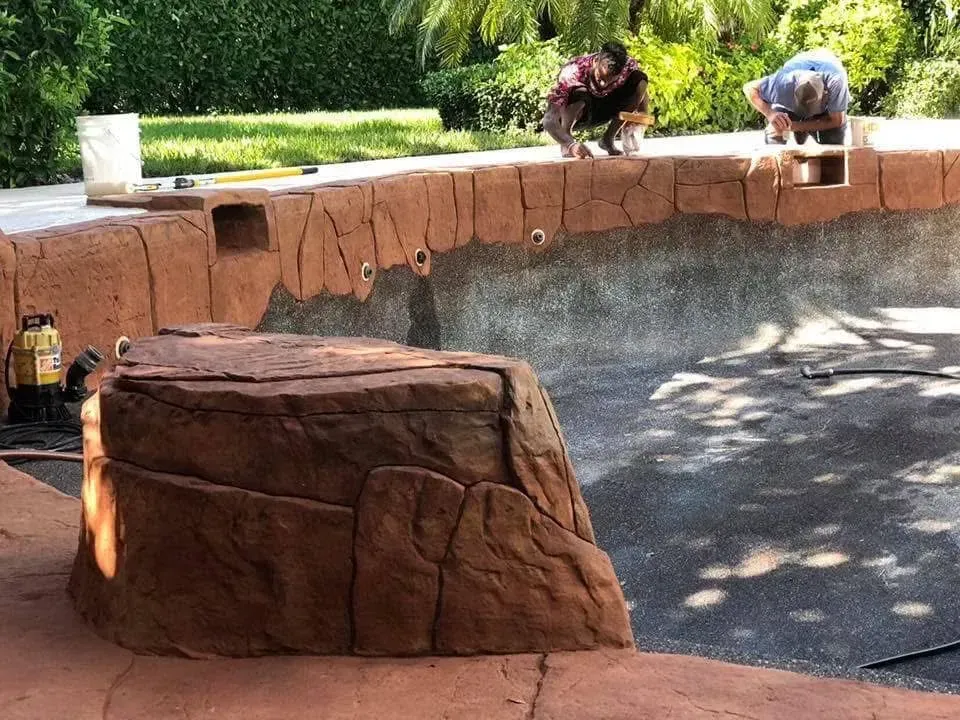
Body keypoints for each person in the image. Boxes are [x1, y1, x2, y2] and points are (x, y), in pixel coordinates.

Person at [543, 42, 650, 158]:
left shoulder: (628, 66)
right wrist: (570, 144)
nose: (603, 85)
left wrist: (642, 114)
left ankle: (608, 139)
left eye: (610, 81)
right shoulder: (573, 71)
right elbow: (549, 119)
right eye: (600, 78)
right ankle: (566, 143)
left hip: (606, 108)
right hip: (581, 114)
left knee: (639, 78)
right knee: (579, 93)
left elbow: (641, 89)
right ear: (597, 60)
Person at [743, 48, 851, 146]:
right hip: (791, 98)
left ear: (825, 94)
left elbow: (836, 121)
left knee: (833, 139)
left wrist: (796, 126)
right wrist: (770, 114)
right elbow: (749, 88)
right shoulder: (783, 84)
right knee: (775, 132)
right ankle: (780, 165)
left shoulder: (836, 83)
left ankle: (827, 163)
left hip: (827, 105)